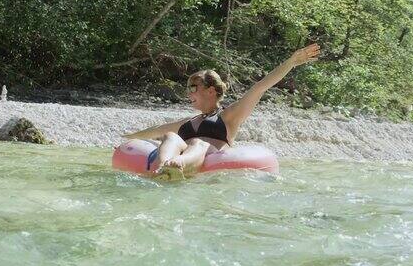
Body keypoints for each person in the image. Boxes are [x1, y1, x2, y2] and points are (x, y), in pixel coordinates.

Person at [123, 43, 321, 179]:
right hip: (178, 157)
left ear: (210, 91)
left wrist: (291, 62)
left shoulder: (228, 116)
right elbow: (157, 130)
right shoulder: (188, 122)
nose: (188, 92)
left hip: (201, 156)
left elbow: (260, 87)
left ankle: (178, 165)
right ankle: (164, 167)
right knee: (169, 136)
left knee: (198, 143)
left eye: (193, 87)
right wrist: (129, 136)